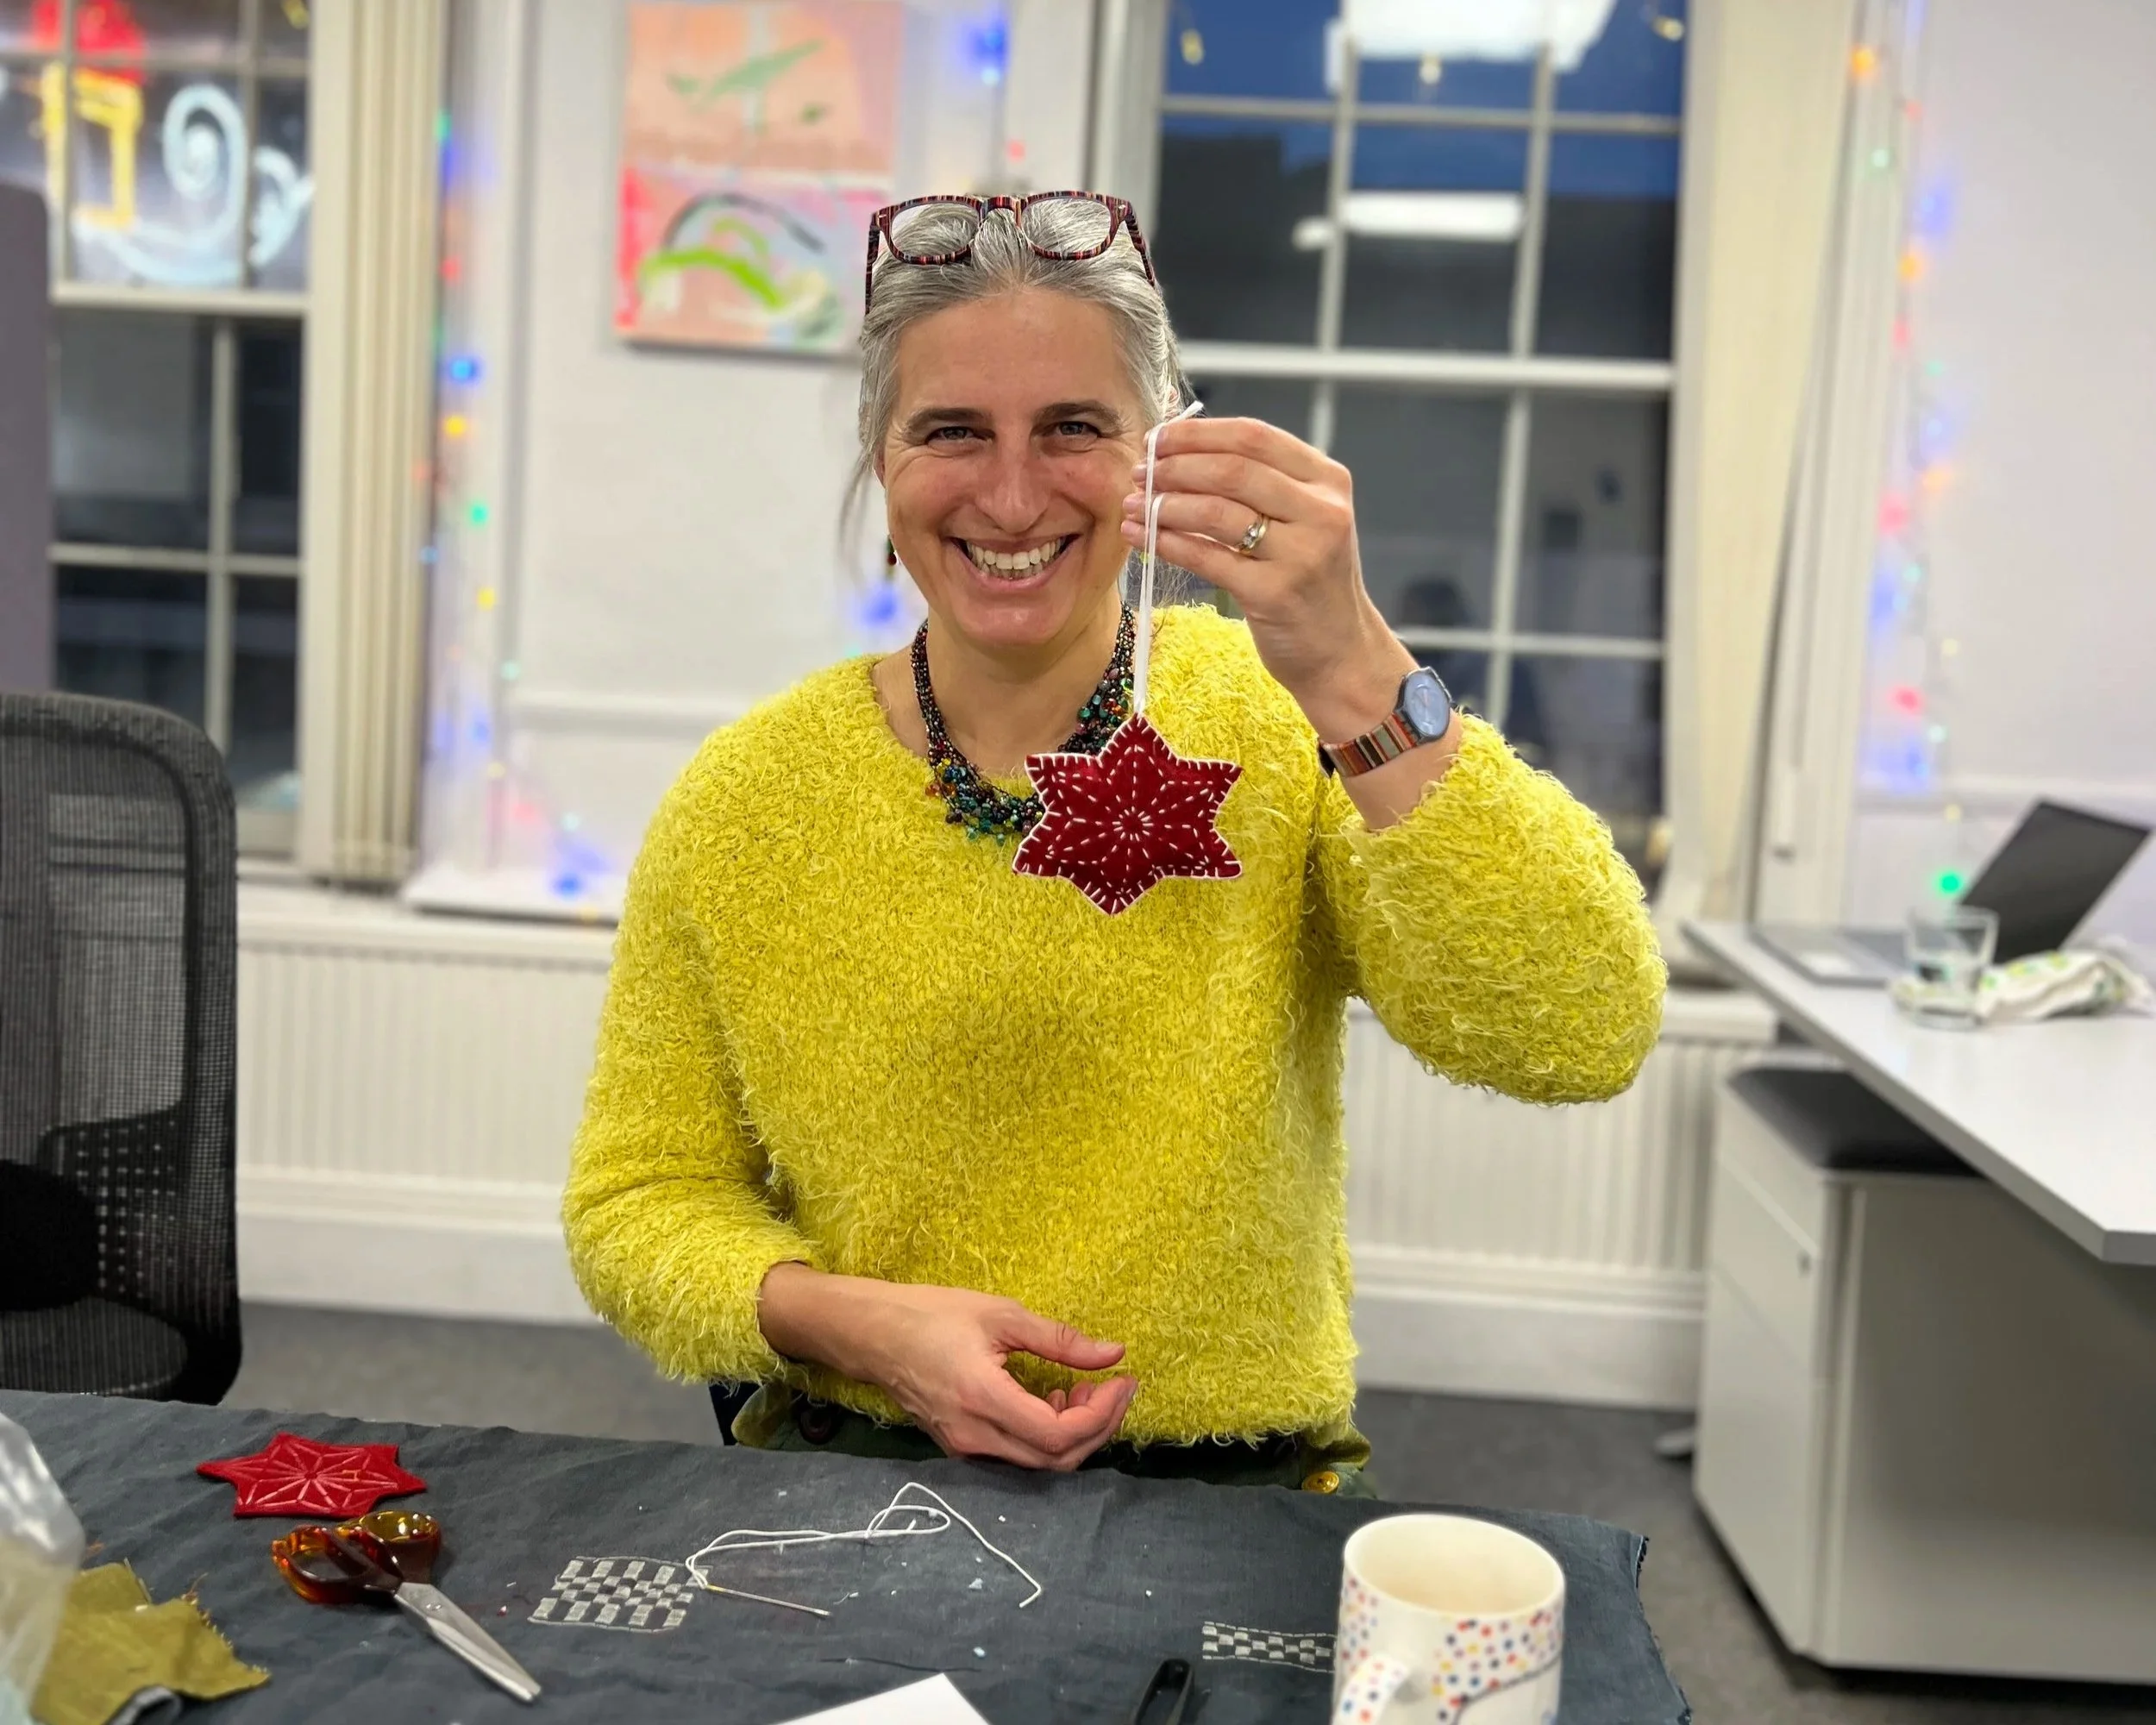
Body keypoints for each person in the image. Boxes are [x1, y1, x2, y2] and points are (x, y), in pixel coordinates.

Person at [562, 192, 1664, 1493]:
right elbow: (637, 1199)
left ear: (1162, 451)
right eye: (952, 431)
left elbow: (1580, 1031)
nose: (1011, 496)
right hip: (858, 1468)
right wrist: (858, 1325)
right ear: (881, 457)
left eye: (1073, 429)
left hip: (1234, 1494)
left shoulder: (1281, 721)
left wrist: (1353, 666)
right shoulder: (747, 800)